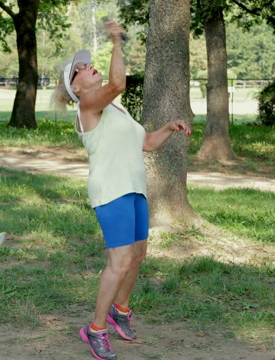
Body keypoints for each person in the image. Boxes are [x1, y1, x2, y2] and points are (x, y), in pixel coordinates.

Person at [52, 22, 191, 360]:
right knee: (120, 261)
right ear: (75, 89)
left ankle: (121, 309)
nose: (87, 67)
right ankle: (95, 329)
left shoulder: (116, 109)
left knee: (138, 255)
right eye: (80, 70)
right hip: (111, 191)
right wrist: (117, 42)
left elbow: (145, 143)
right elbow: (118, 82)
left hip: (135, 189)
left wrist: (168, 128)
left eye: (86, 64)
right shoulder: (89, 107)